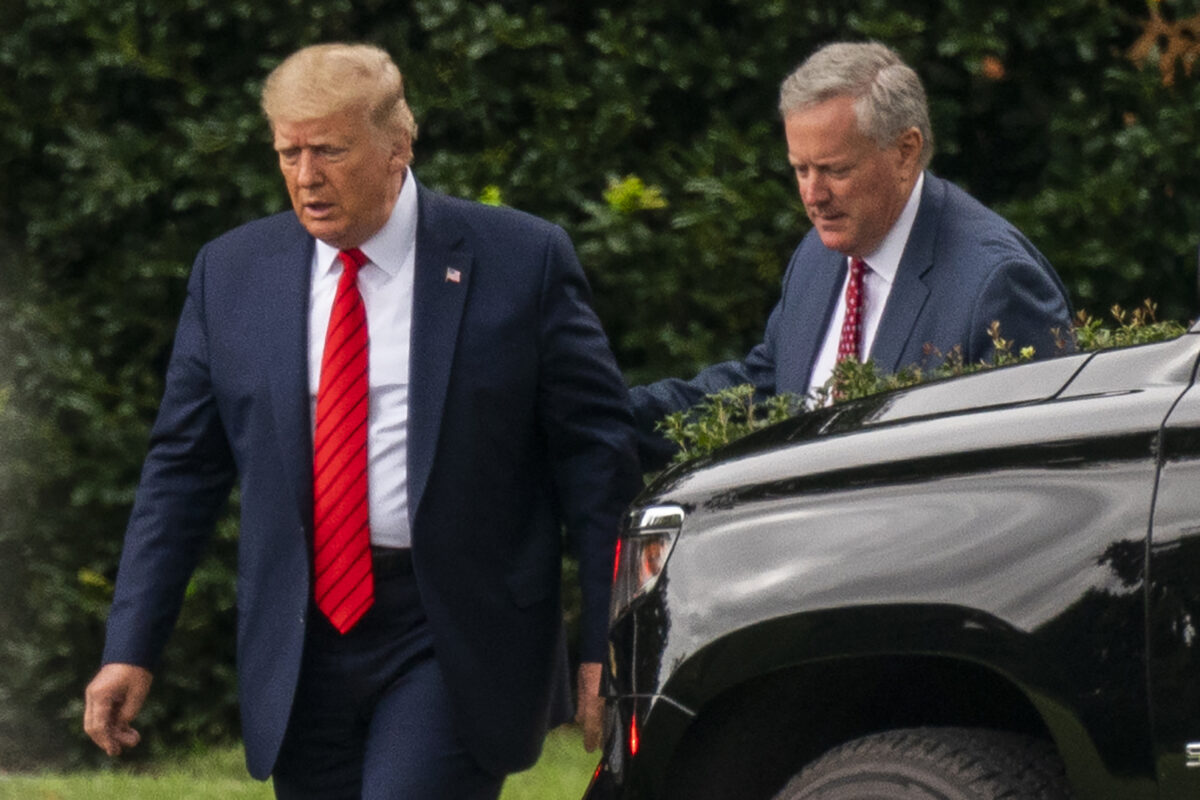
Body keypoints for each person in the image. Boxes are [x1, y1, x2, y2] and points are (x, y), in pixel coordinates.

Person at [82, 42, 641, 799]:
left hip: (450, 631)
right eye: (289, 152)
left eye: (330, 151)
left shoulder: (520, 259)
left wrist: (610, 638)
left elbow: (596, 460)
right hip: (302, 637)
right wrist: (131, 647)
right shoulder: (232, 274)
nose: (306, 177)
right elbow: (181, 471)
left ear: (397, 147)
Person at [631, 41, 1073, 469]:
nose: (812, 195)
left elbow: (1029, 478)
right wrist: (599, 417)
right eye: (800, 169)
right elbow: (765, 395)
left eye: (835, 171)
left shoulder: (995, 284)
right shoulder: (820, 254)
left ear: (906, 152)